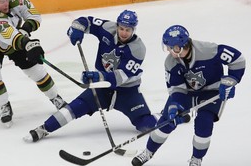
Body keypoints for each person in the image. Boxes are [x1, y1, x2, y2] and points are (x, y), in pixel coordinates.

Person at [23, 10, 161, 142]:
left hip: (127, 92)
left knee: (146, 124)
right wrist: (77, 29)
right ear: (117, 25)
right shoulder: (108, 28)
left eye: (128, 30)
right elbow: (86, 21)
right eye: (122, 28)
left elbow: (122, 76)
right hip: (101, 89)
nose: (124, 33)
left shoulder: (138, 48)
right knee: (74, 108)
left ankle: (164, 116)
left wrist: (98, 77)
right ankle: (44, 129)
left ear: (134, 30)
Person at [131, 25, 245, 166]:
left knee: (204, 121)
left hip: (212, 92)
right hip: (187, 93)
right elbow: (176, 89)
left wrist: (231, 80)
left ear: (186, 44)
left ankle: (196, 158)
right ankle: (148, 151)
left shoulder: (208, 50)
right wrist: (174, 107)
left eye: (176, 48)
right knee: (166, 122)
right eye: (169, 48)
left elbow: (238, 60)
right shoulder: (170, 62)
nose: (172, 52)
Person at [0, 0, 66, 127]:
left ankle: (55, 97)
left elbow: (34, 16)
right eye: (1, 1)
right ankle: (4, 106)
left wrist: (25, 30)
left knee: (35, 70)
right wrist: (28, 43)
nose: (6, 3)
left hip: (15, 40)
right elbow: (10, 36)